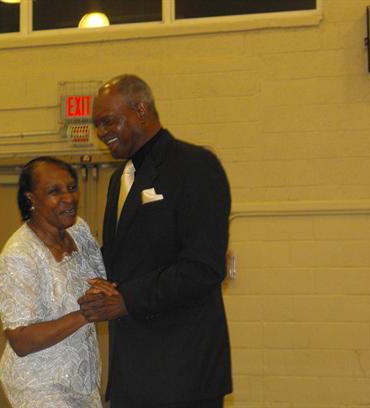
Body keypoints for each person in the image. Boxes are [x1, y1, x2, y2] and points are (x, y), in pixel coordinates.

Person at [78, 75, 232, 408]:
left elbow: (204, 267)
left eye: (108, 121)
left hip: (183, 374)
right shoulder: (120, 179)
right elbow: (123, 261)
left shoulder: (194, 166)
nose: (101, 132)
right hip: (133, 373)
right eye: (97, 125)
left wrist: (127, 300)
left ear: (141, 110)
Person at [0, 156, 105, 408]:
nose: (68, 198)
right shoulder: (20, 255)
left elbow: (101, 277)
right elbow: (20, 340)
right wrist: (85, 314)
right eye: (55, 191)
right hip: (39, 384)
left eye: (71, 188)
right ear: (31, 198)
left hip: (83, 381)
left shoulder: (78, 230)